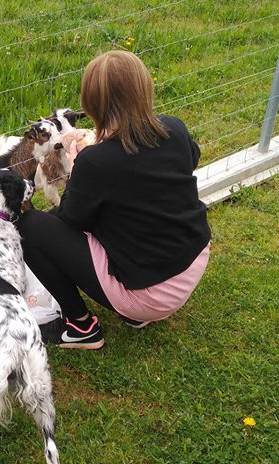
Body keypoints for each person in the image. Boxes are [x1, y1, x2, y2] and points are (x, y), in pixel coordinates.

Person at [18, 50, 211, 350]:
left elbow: (71, 220)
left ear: (91, 103)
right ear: (145, 89)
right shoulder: (174, 127)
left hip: (150, 294)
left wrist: (79, 166)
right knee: (123, 209)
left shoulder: (96, 161)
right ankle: (134, 314)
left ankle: (82, 327)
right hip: (192, 262)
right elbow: (190, 158)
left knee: (30, 227)